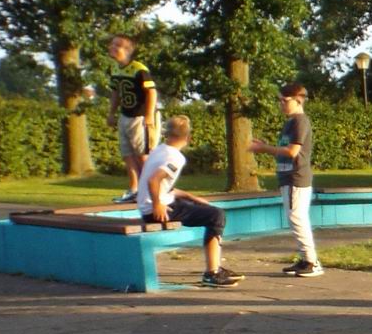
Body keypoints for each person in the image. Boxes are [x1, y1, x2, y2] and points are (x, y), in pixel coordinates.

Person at [135, 115, 243, 287]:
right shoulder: (175, 157)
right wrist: (157, 204)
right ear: (188, 137)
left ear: (167, 134)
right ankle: (212, 273)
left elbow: (165, 187)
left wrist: (193, 198)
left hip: (156, 206)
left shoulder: (159, 150)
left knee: (207, 210)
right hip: (158, 210)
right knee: (216, 215)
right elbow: (153, 180)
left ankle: (215, 268)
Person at [248, 81, 322, 277]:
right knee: (295, 218)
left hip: (296, 176)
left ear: (298, 100)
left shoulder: (300, 121)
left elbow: (292, 151)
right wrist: (266, 146)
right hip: (288, 177)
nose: (281, 104)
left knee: (297, 218)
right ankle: (305, 259)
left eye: (285, 100)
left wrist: (264, 149)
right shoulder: (290, 122)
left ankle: (311, 262)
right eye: (279, 100)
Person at [106, 35, 157, 204]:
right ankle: (134, 190)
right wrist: (111, 113)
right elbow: (115, 93)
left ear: (127, 50)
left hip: (139, 117)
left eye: (117, 45)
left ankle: (151, 191)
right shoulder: (114, 68)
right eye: (112, 44)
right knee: (127, 155)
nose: (112, 47)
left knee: (143, 156)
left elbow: (151, 92)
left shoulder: (138, 69)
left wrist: (149, 115)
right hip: (125, 115)